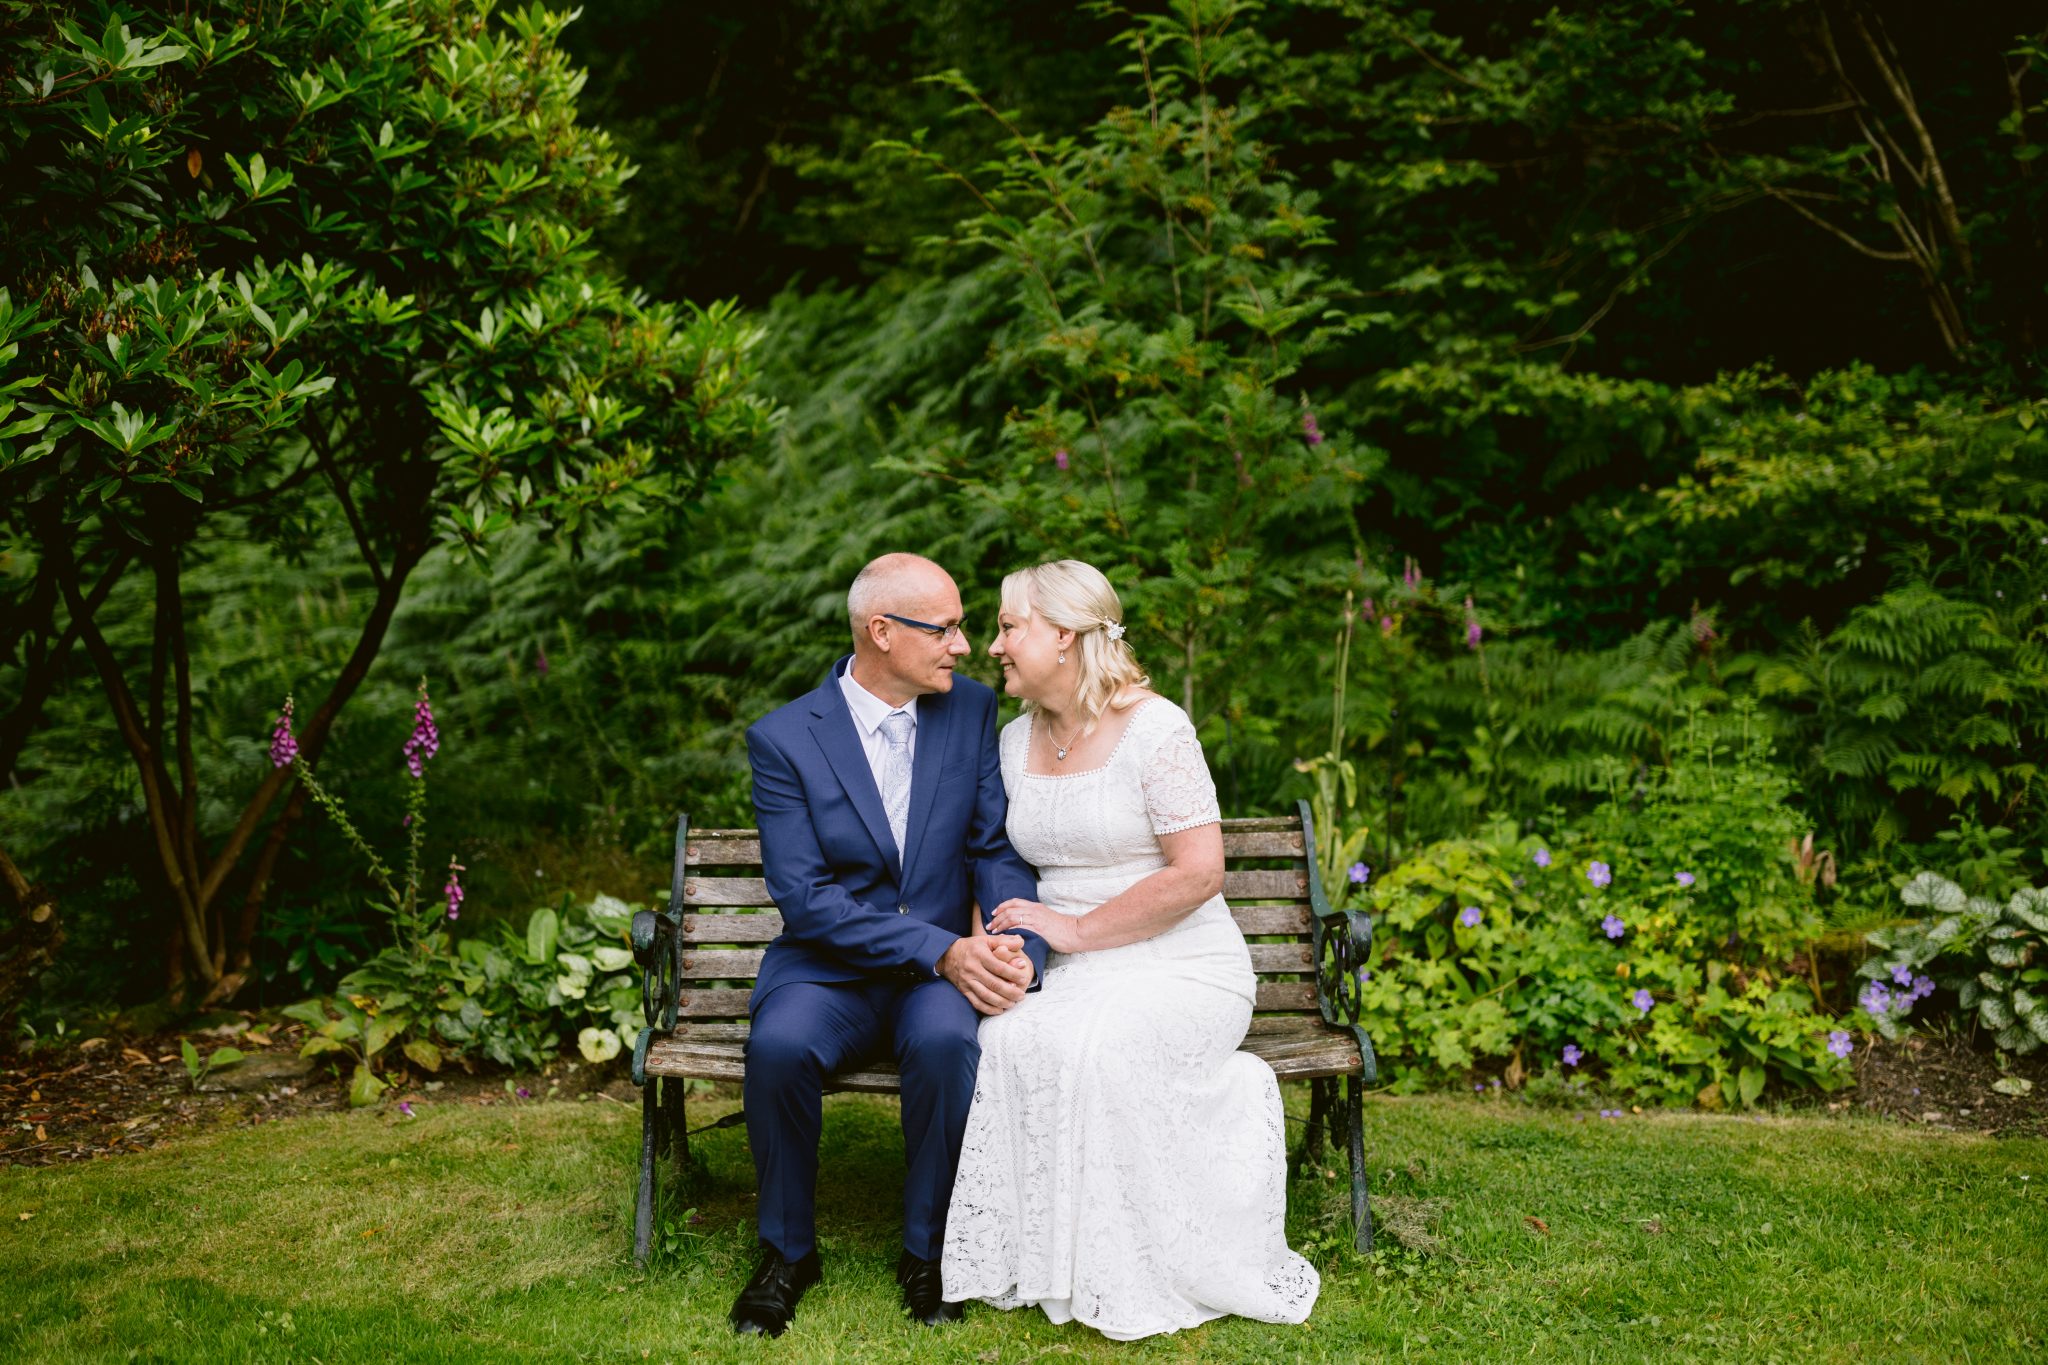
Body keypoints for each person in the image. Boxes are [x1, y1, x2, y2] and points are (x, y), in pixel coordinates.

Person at [940, 558, 1320, 1341]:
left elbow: (1200, 871)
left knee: (1101, 1048)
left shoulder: (1157, 729)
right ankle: (1046, 1259)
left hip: (1183, 963)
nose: (994, 646)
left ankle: (1138, 1261)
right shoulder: (1013, 740)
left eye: (1009, 627)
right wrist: (993, 940)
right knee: (1009, 1038)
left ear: (1064, 635)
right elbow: (994, 859)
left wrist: (1076, 928)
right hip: (1072, 967)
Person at [731, 553, 1046, 1337]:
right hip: (827, 970)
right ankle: (786, 1254)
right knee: (778, 1046)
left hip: (935, 978)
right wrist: (943, 947)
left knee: (946, 1042)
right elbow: (806, 898)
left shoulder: (970, 711)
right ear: (881, 631)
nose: (964, 646)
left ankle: (931, 1251)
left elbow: (993, 846)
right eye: (944, 629)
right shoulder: (783, 739)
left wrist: (1013, 939)